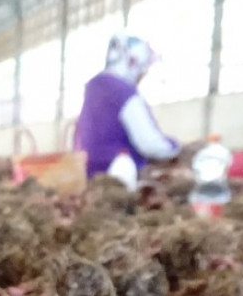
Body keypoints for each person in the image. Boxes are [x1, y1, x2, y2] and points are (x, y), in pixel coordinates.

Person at [75, 32, 179, 187]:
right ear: (134, 63)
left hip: (90, 175)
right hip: (120, 178)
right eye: (143, 70)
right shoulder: (124, 92)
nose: (142, 76)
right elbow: (150, 144)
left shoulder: (93, 88)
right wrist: (175, 147)